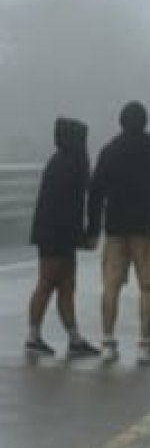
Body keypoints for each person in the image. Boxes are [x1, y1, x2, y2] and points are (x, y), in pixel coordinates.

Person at [85, 101, 150, 366]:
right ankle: (144, 345)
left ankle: (107, 342)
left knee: (111, 285)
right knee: (147, 286)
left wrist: (93, 229)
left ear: (121, 121)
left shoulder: (110, 151)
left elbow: (95, 191)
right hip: (147, 227)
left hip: (116, 226)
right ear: (145, 121)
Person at [25, 117, 101, 359]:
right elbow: (81, 199)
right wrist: (87, 234)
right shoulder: (76, 162)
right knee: (49, 284)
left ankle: (73, 338)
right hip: (59, 234)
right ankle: (34, 337)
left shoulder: (57, 161)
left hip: (52, 231)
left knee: (65, 286)